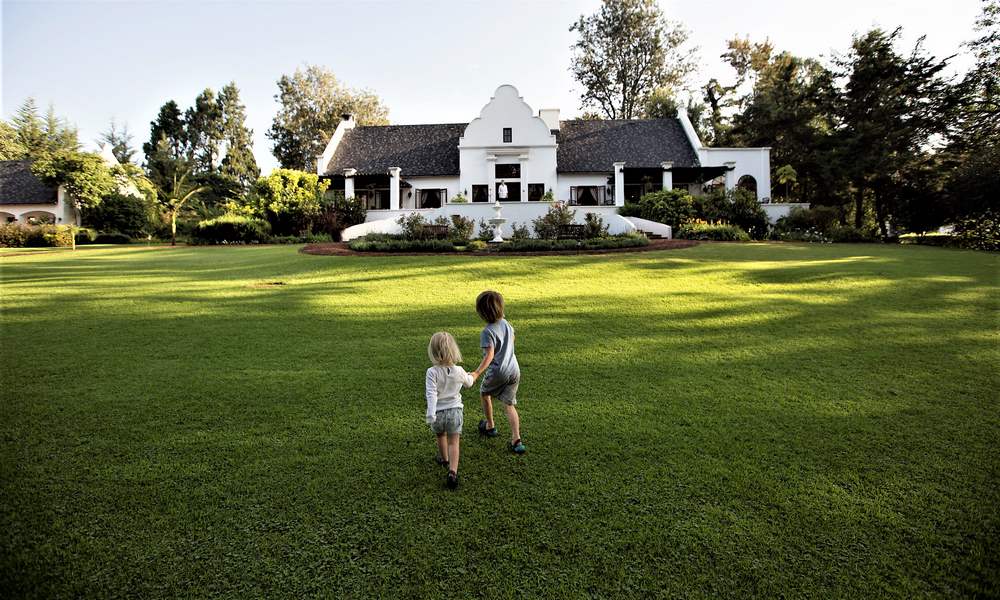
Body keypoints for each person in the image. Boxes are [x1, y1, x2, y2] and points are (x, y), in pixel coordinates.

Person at [471, 290, 525, 454]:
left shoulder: (487, 332)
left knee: (485, 393)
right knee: (509, 405)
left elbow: (489, 355)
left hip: (499, 371)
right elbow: (513, 339)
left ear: (482, 313)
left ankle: (490, 426)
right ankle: (516, 440)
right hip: (514, 369)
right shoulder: (506, 324)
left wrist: (477, 372)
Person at [425, 331, 477, 489]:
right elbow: (468, 383)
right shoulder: (459, 370)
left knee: (441, 435)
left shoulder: (432, 372)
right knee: (454, 442)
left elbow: (431, 394)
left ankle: (444, 458)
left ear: (433, 352)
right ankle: (452, 472)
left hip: (438, 413)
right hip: (455, 412)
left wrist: (431, 413)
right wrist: (473, 375)